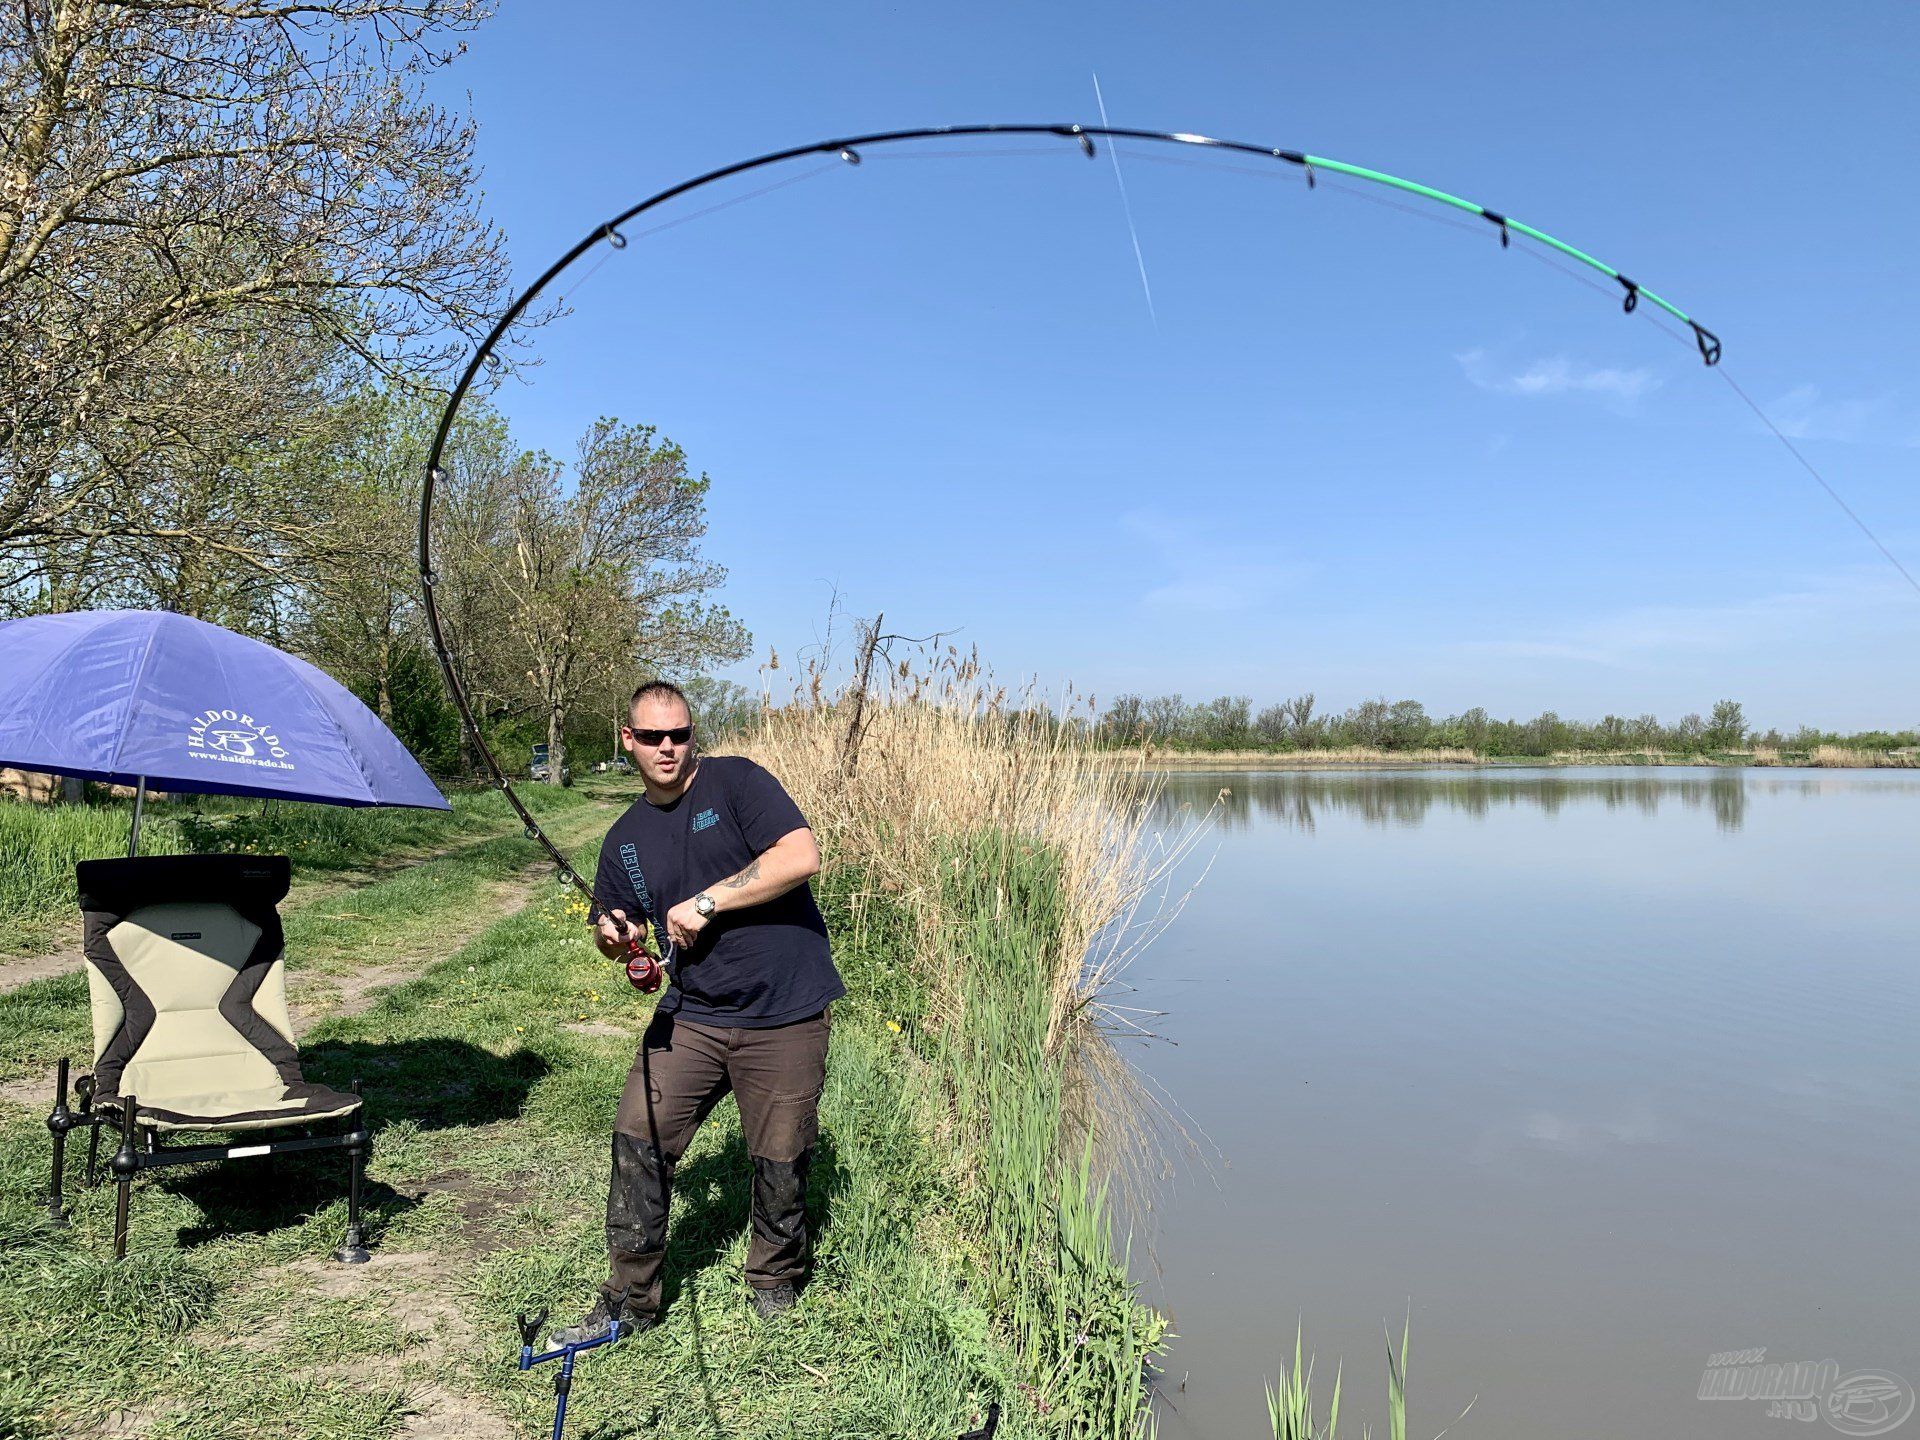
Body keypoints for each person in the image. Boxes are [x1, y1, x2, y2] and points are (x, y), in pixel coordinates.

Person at [550, 680, 845, 1344]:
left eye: (679, 734)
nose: (667, 748)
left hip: (785, 1010)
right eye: (652, 736)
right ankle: (630, 1298)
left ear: (692, 735)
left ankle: (773, 1278)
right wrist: (615, 939)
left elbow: (801, 855)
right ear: (628, 740)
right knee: (637, 1138)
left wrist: (707, 902)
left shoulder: (736, 784)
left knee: (779, 1156)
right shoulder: (624, 839)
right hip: (693, 1013)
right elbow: (618, 939)